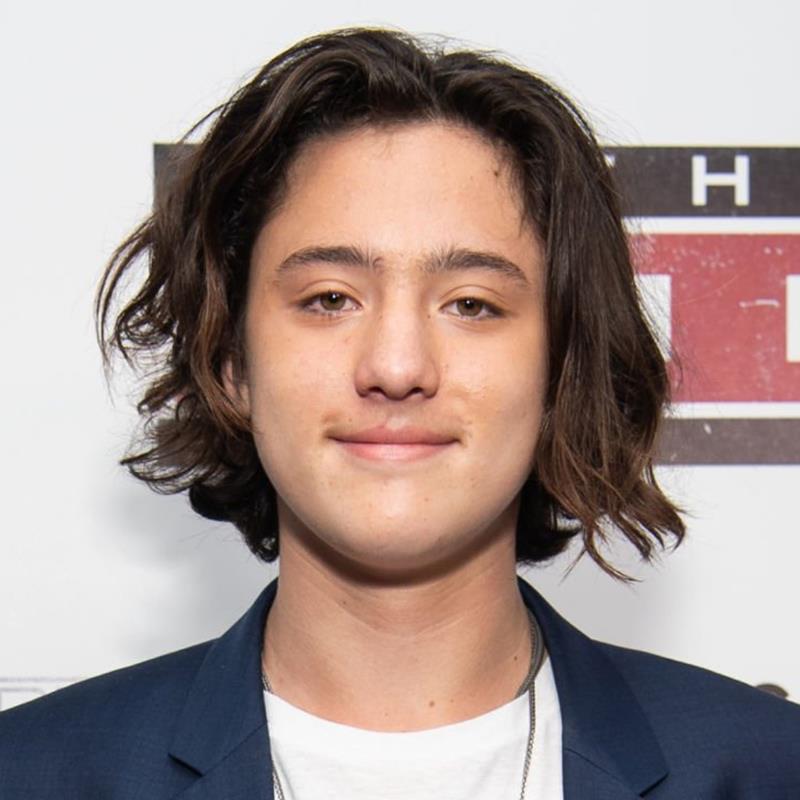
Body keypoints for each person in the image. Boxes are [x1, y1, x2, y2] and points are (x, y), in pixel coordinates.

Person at [1, 26, 798, 799]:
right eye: (329, 299)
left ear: (562, 368)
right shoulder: (33, 775)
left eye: (472, 304)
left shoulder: (768, 770)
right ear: (231, 359)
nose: (396, 367)